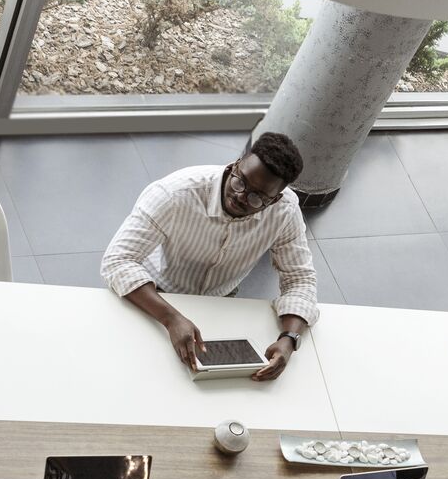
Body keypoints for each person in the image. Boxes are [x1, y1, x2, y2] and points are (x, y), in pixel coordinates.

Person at [101, 131, 318, 382]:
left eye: (256, 197)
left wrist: (289, 340)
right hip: (155, 294)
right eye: (240, 181)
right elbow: (118, 260)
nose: (240, 196)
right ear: (237, 164)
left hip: (221, 300)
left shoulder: (285, 211)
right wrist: (171, 318)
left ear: (274, 200)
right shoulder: (174, 193)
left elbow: (300, 280)